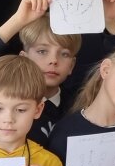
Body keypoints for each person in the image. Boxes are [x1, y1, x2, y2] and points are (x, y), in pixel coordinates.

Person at [17, 14, 79, 145]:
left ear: (71, 66)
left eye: (64, 54)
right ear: (24, 59)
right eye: (42, 51)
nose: (54, 60)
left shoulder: (79, 108)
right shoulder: (7, 105)